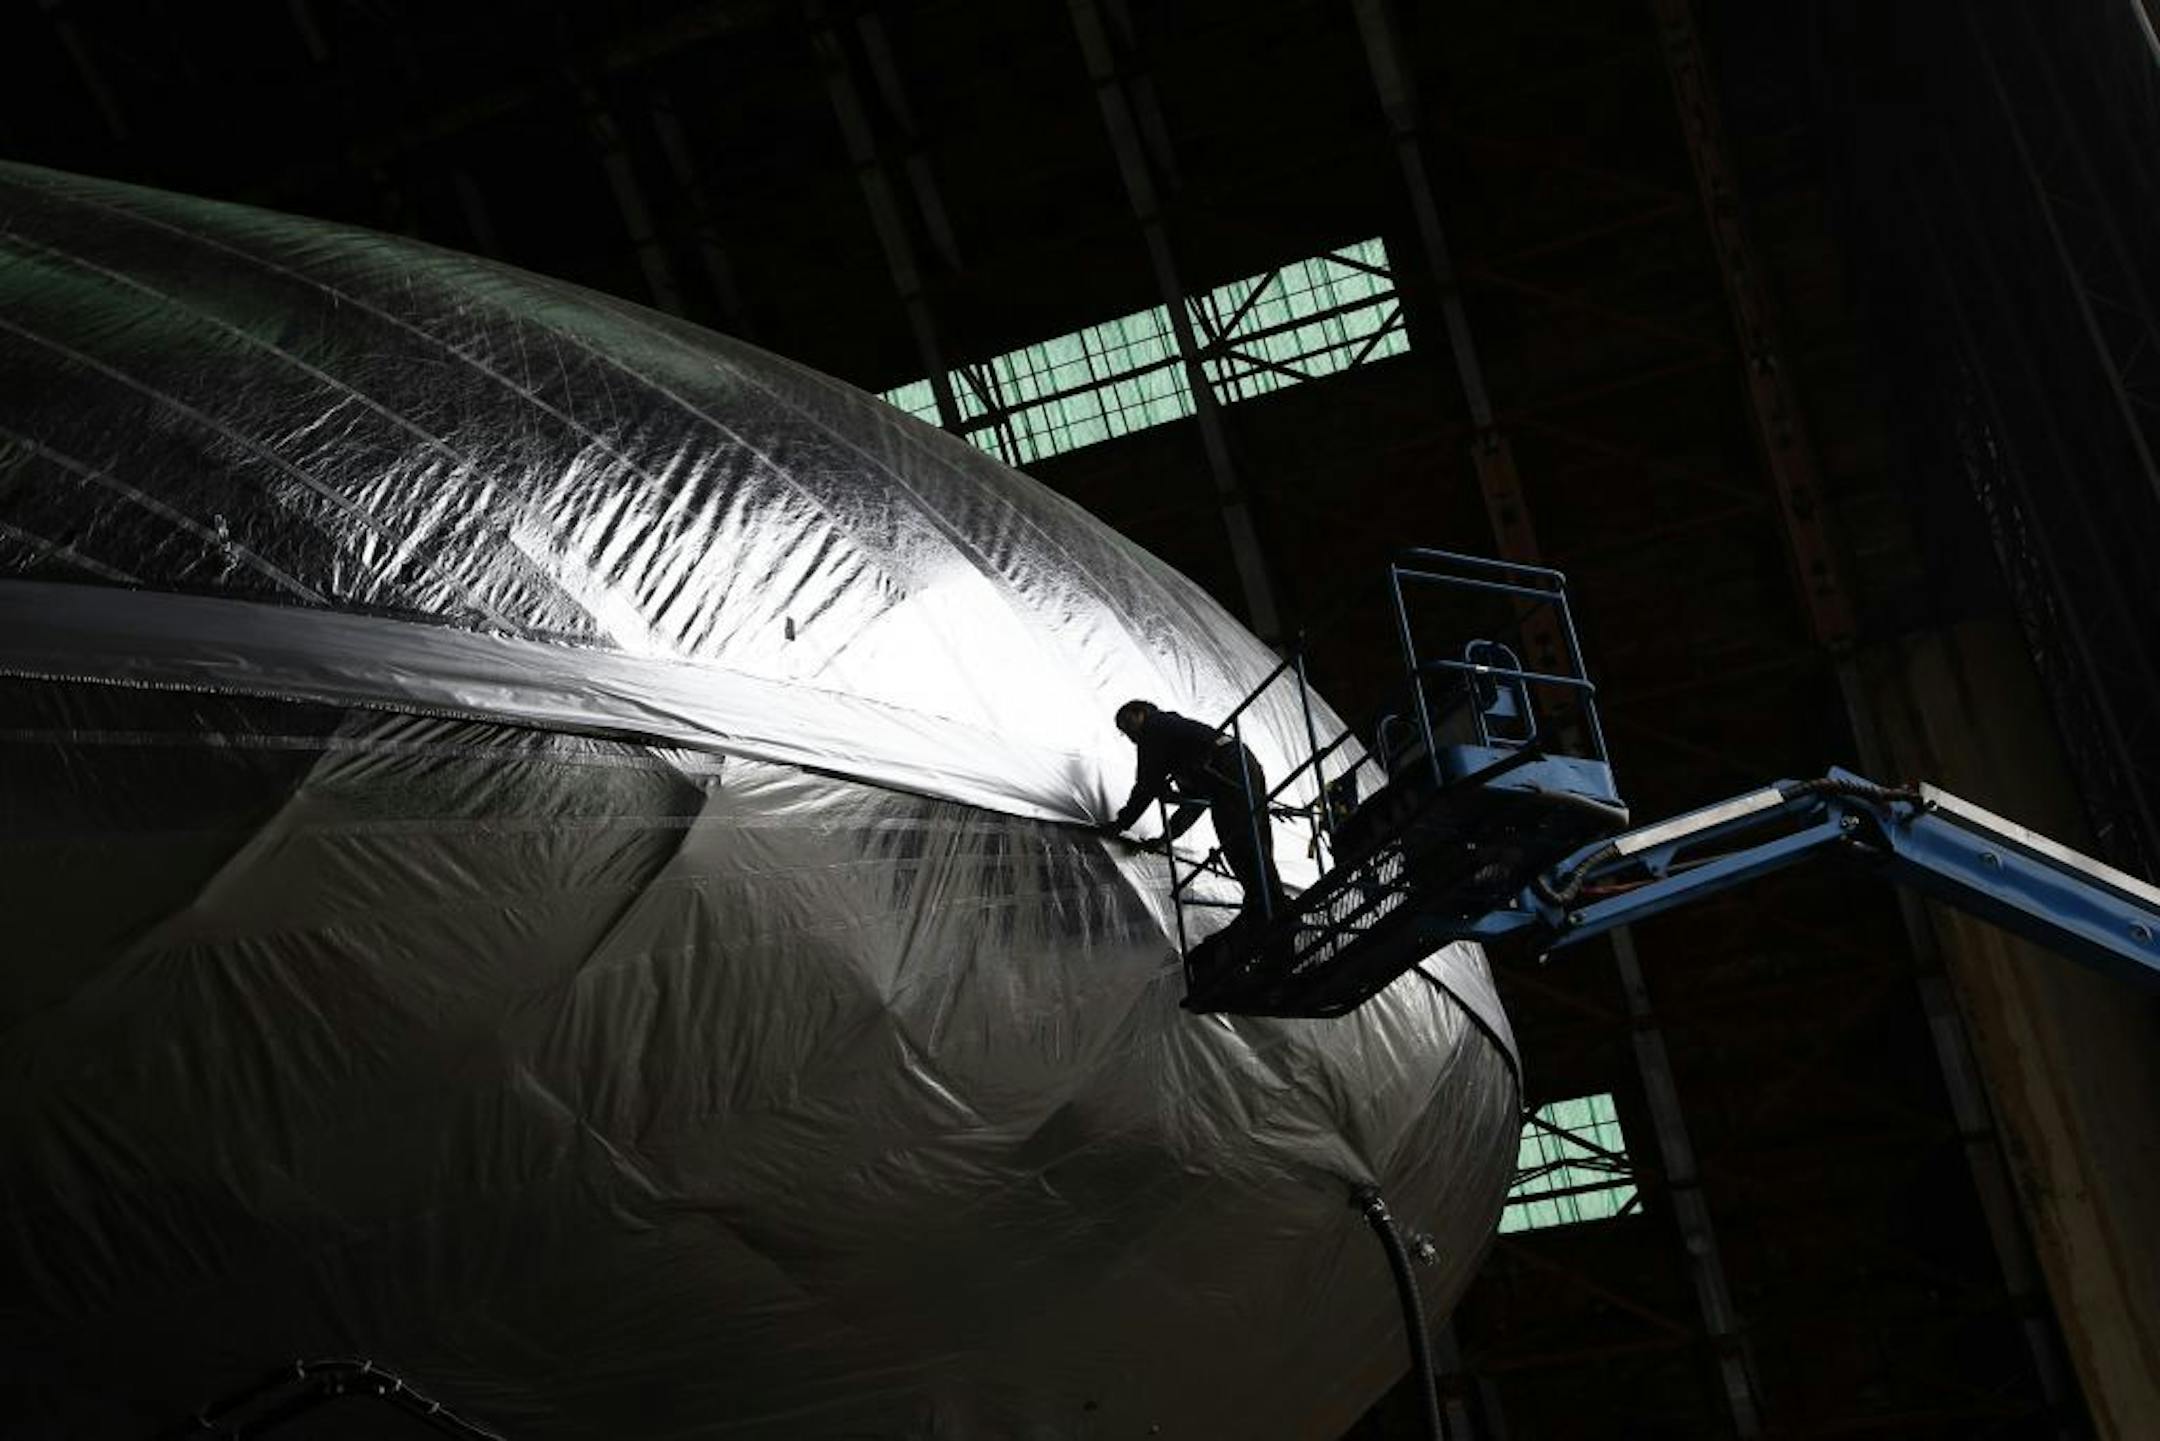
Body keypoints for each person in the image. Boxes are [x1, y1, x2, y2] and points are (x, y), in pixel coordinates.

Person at [1100, 699, 1285, 927]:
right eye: (1123, 731)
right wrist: (1167, 837)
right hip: (1239, 764)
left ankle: (1268, 905)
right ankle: (1267, 901)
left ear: (1142, 712)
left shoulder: (1155, 727)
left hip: (1228, 766)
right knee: (1253, 837)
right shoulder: (1183, 745)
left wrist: (1120, 824)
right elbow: (1195, 803)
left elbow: (1146, 784)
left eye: (1127, 723)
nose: (1129, 735)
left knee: (1239, 838)